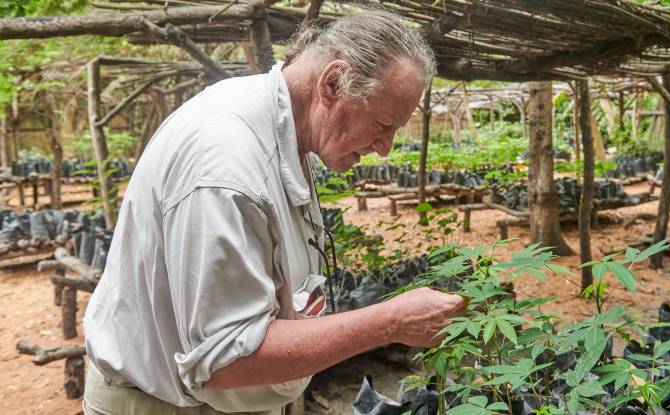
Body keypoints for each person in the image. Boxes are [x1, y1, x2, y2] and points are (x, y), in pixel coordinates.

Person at [82, 9, 465, 415]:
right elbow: (225, 359)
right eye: (383, 124)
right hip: (164, 406)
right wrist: (389, 322)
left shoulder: (282, 131)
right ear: (332, 83)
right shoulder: (223, 166)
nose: (385, 148)